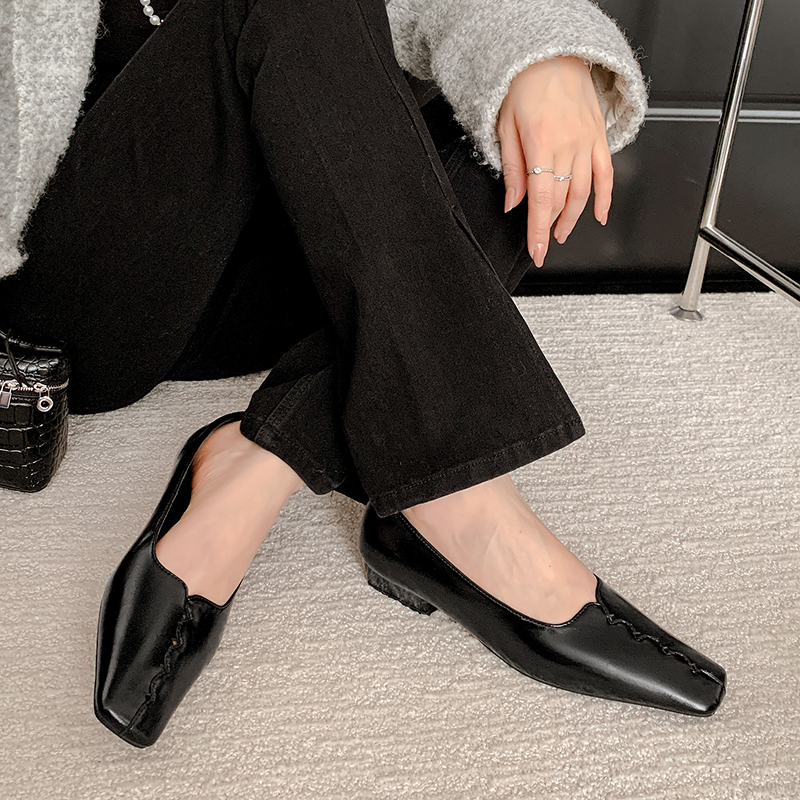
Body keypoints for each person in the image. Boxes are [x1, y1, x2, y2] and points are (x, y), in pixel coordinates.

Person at [0, 0, 726, 748]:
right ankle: (457, 499)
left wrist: (549, 57)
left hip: (288, 259)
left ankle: (260, 466)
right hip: (92, 282)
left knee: (517, 116)